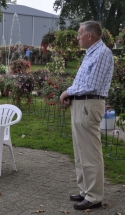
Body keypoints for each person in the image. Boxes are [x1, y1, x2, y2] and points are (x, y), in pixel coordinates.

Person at [60, 21, 114, 211]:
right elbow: (84, 82)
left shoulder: (101, 53)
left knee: (90, 152)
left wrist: (67, 92)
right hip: (82, 103)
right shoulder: (92, 53)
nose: (77, 37)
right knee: (81, 150)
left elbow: (91, 84)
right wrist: (72, 94)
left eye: (79, 33)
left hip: (89, 103)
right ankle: (85, 191)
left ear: (89, 35)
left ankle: (94, 196)